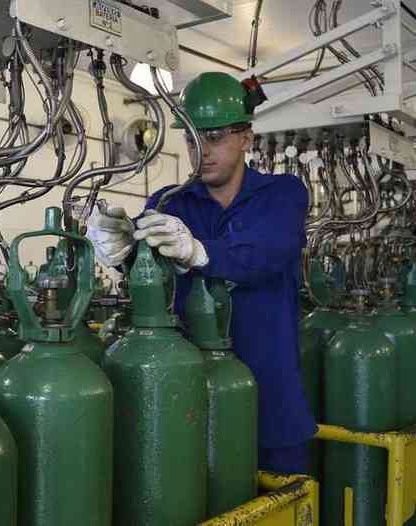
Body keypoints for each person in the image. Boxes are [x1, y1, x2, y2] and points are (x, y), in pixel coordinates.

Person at [86, 71, 317, 474]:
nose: (201, 152)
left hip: (271, 406)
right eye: (192, 140)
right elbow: (150, 274)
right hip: (189, 403)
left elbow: (266, 252)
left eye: (214, 138)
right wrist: (123, 253)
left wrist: (198, 250)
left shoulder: (283, 194)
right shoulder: (168, 203)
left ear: (245, 137)